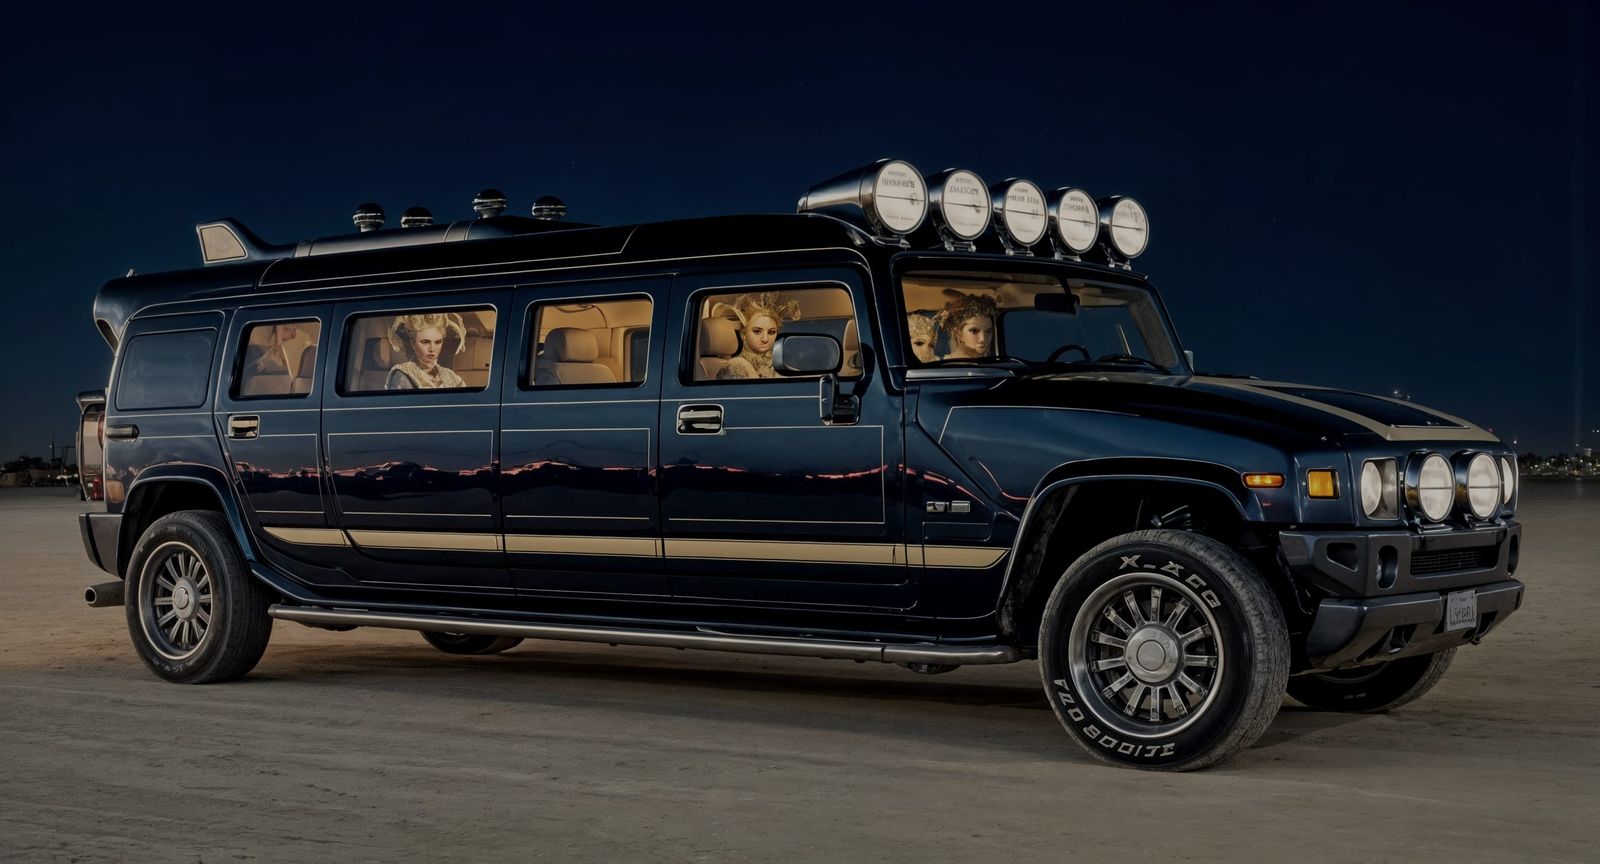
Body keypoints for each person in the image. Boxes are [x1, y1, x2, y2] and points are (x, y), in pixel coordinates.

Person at [714, 292, 801, 380]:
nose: (765, 339)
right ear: (744, 333)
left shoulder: (779, 364)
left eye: (771, 332)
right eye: (757, 331)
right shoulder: (737, 364)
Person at [386, 312, 468, 389]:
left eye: (438, 342)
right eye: (425, 342)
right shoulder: (402, 373)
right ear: (413, 343)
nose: (432, 349)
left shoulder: (451, 376)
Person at [936, 294, 998, 360]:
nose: (983, 339)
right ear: (958, 333)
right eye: (974, 331)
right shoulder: (935, 366)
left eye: (988, 331)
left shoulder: (995, 366)